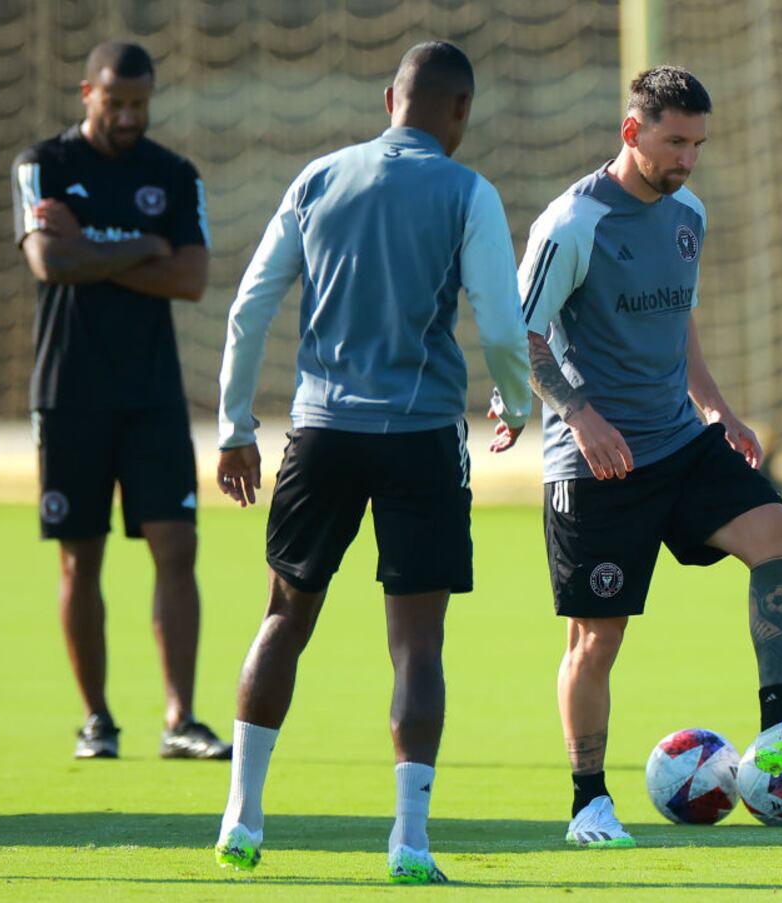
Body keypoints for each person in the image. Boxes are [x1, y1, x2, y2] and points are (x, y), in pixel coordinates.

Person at [517, 66, 782, 849]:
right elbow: (521, 335)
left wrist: (716, 406)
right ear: (632, 131)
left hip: (680, 439)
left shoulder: (688, 213)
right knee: (595, 640)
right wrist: (579, 415)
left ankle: (780, 722)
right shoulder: (573, 224)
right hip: (597, 463)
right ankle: (588, 803)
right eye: (675, 141)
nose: (688, 159)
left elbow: (681, 323)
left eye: (698, 144)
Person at [211, 41, 532, 884]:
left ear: (389, 97)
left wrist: (234, 425)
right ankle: (410, 841)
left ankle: (241, 816)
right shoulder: (468, 190)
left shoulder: (317, 178)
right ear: (460, 110)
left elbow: (249, 308)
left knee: (284, 615)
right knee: (417, 646)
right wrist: (516, 399)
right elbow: (500, 323)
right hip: (420, 436)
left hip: (319, 433)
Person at [11, 40, 230, 761]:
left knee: (178, 547)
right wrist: (145, 250)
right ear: (87, 93)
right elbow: (47, 263)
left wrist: (104, 249)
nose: (131, 115)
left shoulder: (171, 175)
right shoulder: (42, 165)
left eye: (142, 102)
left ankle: (181, 719)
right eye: (118, 102)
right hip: (69, 391)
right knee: (81, 557)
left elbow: (192, 279)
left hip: (152, 396)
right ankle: (98, 721)